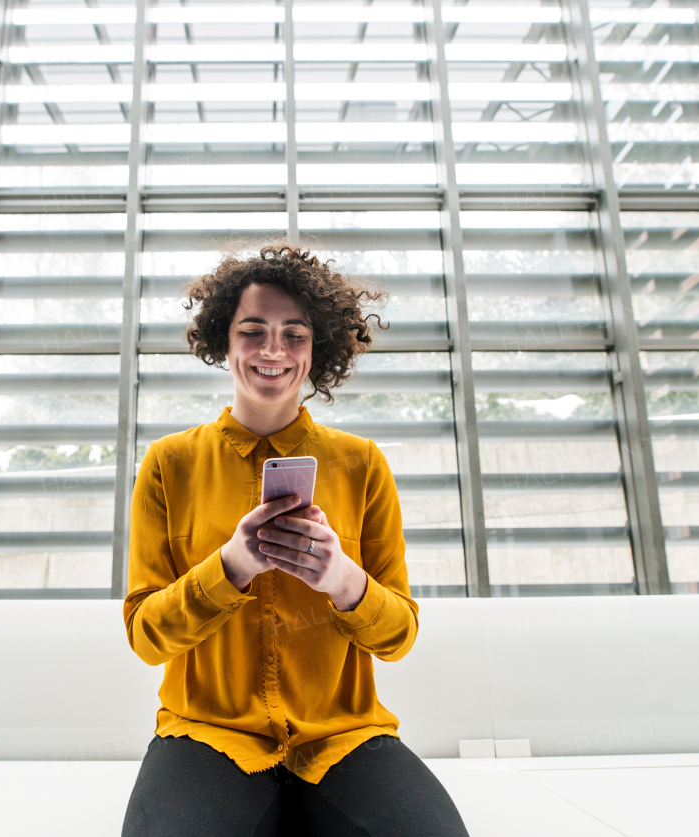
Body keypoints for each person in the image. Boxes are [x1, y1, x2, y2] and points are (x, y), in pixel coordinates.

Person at [121, 245, 469, 837]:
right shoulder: (168, 463)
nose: (273, 351)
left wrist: (344, 580)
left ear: (317, 348)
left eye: (294, 334)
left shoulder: (362, 464)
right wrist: (229, 566)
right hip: (207, 731)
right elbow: (146, 637)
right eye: (252, 331)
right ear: (223, 342)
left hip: (344, 734)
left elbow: (399, 637)